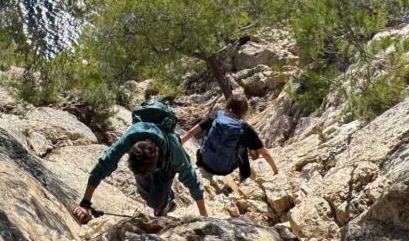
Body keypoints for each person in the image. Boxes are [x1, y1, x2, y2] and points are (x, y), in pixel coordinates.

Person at [73, 102, 206, 223]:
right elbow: (102, 166)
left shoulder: (173, 149)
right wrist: (85, 203)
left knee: (156, 203)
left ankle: (167, 202)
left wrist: (204, 217)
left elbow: (191, 179)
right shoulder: (129, 138)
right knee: (145, 194)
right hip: (148, 162)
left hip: (166, 166)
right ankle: (160, 198)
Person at [181, 93, 278, 187]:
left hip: (203, 162)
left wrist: (176, 144)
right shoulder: (244, 127)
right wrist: (276, 171)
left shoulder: (216, 115)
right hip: (223, 169)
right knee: (242, 148)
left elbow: (190, 132)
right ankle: (244, 178)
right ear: (244, 110)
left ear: (229, 104)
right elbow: (264, 153)